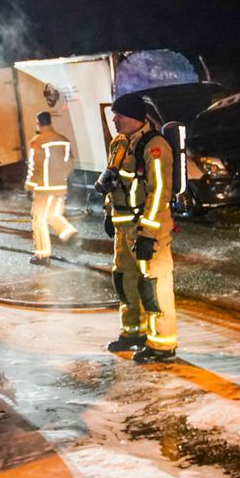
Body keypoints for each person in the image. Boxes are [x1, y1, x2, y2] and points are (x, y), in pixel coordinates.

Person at [96, 93, 177, 363]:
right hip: (123, 227)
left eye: (119, 115)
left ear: (133, 117)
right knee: (125, 282)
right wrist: (109, 212)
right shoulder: (119, 143)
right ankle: (133, 333)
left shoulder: (155, 146)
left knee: (153, 287)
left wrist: (148, 233)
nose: (115, 119)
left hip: (146, 230)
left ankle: (162, 345)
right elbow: (114, 179)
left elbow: (160, 193)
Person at [25, 111, 77, 264]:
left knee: (38, 219)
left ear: (38, 123)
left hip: (43, 188)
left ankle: (42, 255)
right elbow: (70, 162)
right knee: (52, 215)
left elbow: (35, 166)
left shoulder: (38, 141)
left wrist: (30, 186)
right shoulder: (63, 140)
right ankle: (69, 233)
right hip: (60, 186)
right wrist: (60, 177)